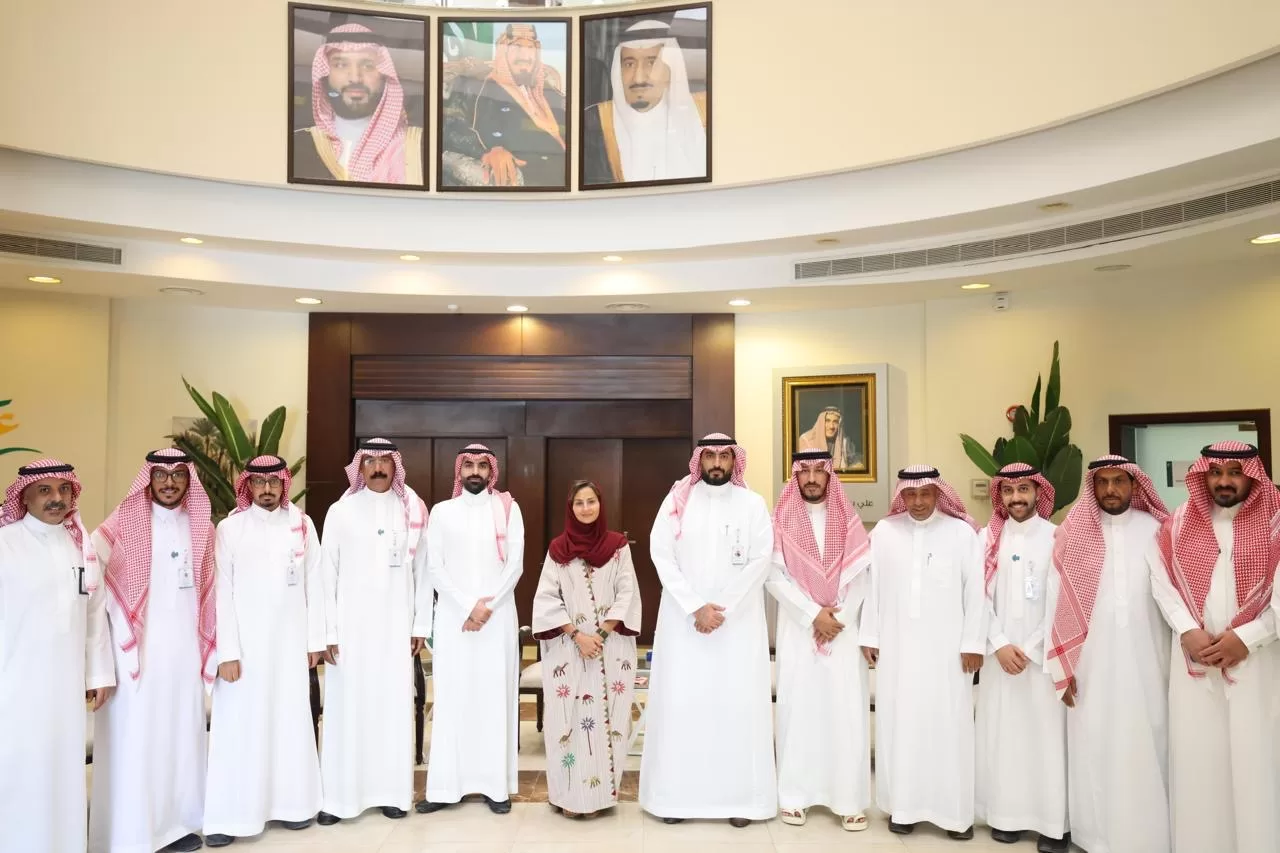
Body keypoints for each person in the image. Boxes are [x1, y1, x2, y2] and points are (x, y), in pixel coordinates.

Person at [1148, 441, 1280, 853]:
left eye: (1235, 473)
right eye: (1216, 472)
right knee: (1198, 759)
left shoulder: (1276, 523)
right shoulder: (1178, 523)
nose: (1224, 481)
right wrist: (1187, 630)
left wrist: (1248, 638)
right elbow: (1161, 582)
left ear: (1252, 477)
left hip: (1258, 664)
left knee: (1256, 757)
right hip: (1195, 661)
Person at [639, 434, 776, 827]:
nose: (717, 462)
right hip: (684, 626)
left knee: (736, 708)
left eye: (724, 456)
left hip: (738, 628)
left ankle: (741, 801)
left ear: (735, 460)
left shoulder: (753, 504)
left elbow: (761, 560)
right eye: (710, 456)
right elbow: (661, 554)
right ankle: (675, 800)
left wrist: (722, 608)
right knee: (682, 706)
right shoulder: (677, 501)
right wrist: (695, 607)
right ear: (699, 460)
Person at [89, 449, 217, 853]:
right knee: (140, 738)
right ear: (148, 478)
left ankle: (178, 825)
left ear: (188, 480)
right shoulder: (122, 522)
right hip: (136, 656)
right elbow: (92, 576)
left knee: (181, 735)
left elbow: (211, 589)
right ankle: (134, 833)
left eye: (178, 475)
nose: (169, 482)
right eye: (160, 474)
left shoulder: (200, 525)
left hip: (184, 653)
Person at [1047, 455, 1171, 853]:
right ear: (1093, 487)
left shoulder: (1156, 529)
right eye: (1103, 482)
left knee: (1149, 737)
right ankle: (1094, 836)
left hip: (1149, 659)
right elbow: (1054, 600)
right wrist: (1061, 666)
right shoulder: (1074, 531)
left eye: (1119, 481)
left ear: (1134, 485)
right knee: (1093, 739)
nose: (1111, 489)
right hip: (1090, 662)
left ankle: (1149, 835)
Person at [202, 456, 326, 848]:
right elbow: (221, 592)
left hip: (290, 647)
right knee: (239, 729)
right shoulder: (230, 528)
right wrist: (227, 651)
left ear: (284, 484)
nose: (267, 489)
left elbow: (315, 583)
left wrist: (314, 641)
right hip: (244, 652)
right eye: (260, 483)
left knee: (289, 724)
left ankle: (292, 806)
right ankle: (229, 816)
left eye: (274, 482)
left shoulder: (301, 525)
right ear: (249, 486)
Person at [859, 465, 983, 841]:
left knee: (949, 725)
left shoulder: (961, 534)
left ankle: (954, 815)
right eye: (910, 494)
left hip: (948, 653)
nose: (917, 502)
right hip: (897, 648)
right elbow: (871, 587)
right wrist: (869, 635)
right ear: (902, 495)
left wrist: (973, 643)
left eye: (925, 494)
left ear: (937, 494)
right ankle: (903, 808)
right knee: (900, 723)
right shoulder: (884, 533)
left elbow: (976, 591)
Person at [0, 459, 115, 853]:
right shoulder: (5, 543)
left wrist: (99, 674)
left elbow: (95, 613)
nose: (56, 498)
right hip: (14, 686)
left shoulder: (79, 545)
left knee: (63, 770)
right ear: (24, 496)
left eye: (63, 489)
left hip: (65, 687)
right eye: (45, 490)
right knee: (19, 768)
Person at [317, 439, 430, 825]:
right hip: (350, 633)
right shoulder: (340, 511)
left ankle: (392, 794)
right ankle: (339, 799)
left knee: (391, 710)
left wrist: (420, 625)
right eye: (370, 461)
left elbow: (423, 571)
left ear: (395, 466)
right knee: (347, 711)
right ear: (359, 467)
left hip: (396, 631)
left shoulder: (412, 508)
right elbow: (326, 574)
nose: (378, 467)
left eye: (385, 461)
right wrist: (328, 632)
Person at [767, 449, 872, 831]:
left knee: (845, 711)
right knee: (798, 711)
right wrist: (813, 614)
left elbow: (861, 574)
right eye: (804, 471)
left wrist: (837, 617)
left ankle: (849, 800)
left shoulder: (848, 520)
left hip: (842, 631)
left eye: (818, 471)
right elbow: (773, 577)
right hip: (799, 630)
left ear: (830, 475)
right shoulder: (780, 521)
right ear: (795, 476)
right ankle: (794, 796)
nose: (811, 478)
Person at [416, 444, 524, 815]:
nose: (475, 471)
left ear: (491, 471)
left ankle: (496, 787)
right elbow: (435, 568)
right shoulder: (442, 512)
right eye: (469, 465)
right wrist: (468, 606)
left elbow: (515, 565)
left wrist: (486, 608)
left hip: (497, 619)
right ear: (459, 471)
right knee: (452, 700)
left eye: (481, 465)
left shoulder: (507, 509)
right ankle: (445, 788)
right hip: (454, 620)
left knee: (494, 699)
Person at [532, 480, 641, 818]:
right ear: (571, 508)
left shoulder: (618, 546)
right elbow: (546, 598)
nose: (585, 508)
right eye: (578, 503)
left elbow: (627, 592)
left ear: (600, 504)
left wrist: (602, 633)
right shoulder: (557, 550)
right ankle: (567, 796)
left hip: (612, 649)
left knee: (608, 721)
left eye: (591, 501)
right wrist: (577, 634)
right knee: (566, 721)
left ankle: (597, 799)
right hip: (568, 649)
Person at [974, 463, 1068, 852]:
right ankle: (1005, 817)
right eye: (1009, 490)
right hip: (999, 659)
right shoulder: (986, 539)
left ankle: (1052, 824)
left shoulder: (1056, 536)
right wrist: (998, 643)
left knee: (1046, 738)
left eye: (1024, 489)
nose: (1016, 497)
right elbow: (975, 596)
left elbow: (1062, 601)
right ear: (1000, 495)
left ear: (1038, 492)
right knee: (1002, 737)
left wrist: (1029, 648)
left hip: (1041, 659)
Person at [292, 23, 424, 185]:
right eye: (341, 65)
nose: (355, 78)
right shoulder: (297, 144)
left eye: (368, 66)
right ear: (325, 75)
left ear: (384, 76)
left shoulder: (419, 147)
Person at [582, 18, 707, 186]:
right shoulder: (595, 121)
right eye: (629, 64)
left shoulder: (704, 113)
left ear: (671, 68)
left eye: (651, 63)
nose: (639, 78)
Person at [441, 23, 567, 188]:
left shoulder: (551, 95)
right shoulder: (479, 87)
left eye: (530, 48)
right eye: (517, 47)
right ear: (503, 50)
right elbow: (451, 125)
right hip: (524, 184)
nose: (525, 55)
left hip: (566, 180)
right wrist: (488, 152)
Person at [796, 406, 860, 470]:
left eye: (835, 422)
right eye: (827, 421)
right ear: (821, 422)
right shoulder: (806, 440)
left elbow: (855, 462)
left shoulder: (845, 442)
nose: (831, 426)